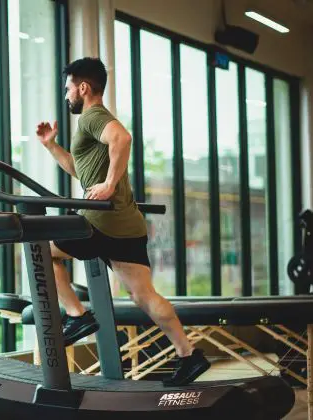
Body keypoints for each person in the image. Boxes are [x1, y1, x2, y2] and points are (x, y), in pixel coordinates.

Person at [35, 57, 210, 386]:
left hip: (100, 221)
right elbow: (80, 170)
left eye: (68, 89)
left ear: (83, 88)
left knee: (40, 250)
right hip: (127, 223)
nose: (66, 95)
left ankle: (77, 316)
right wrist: (51, 146)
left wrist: (110, 185)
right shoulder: (92, 123)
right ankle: (189, 354)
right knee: (144, 296)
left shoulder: (93, 117)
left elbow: (123, 139)